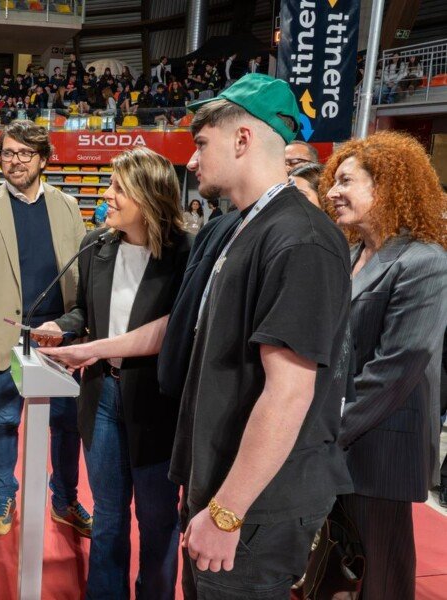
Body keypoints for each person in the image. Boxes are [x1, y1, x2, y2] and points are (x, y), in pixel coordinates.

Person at [46, 74, 354, 598]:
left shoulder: (300, 240)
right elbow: (183, 326)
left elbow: (288, 392)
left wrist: (228, 511)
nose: (191, 161)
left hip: (255, 505)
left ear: (243, 139)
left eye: (201, 144)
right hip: (217, 482)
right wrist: (92, 348)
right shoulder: (230, 228)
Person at [35, 147, 191, 600]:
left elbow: (175, 330)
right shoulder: (95, 245)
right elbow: (84, 311)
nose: (107, 196)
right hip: (102, 395)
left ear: (148, 195)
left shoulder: (184, 252)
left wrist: (89, 346)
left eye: (118, 188)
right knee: (108, 517)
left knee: (158, 520)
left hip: (158, 403)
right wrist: (59, 329)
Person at [321, 131, 447, 600]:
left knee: (381, 577)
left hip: (381, 449)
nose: (332, 191)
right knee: (337, 569)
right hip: (342, 439)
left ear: (387, 186)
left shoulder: (424, 261)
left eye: (346, 180)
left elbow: (398, 366)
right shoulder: (352, 254)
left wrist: (329, 426)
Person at [0, 121, 92, 537]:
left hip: (60, 337)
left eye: (24, 154)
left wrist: (82, 329)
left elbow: (83, 275)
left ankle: (64, 499)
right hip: (6, 336)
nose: (14, 161)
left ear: (43, 159)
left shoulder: (68, 207)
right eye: (8, 153)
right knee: (4, 420)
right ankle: (4, 494)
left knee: (66, 424)